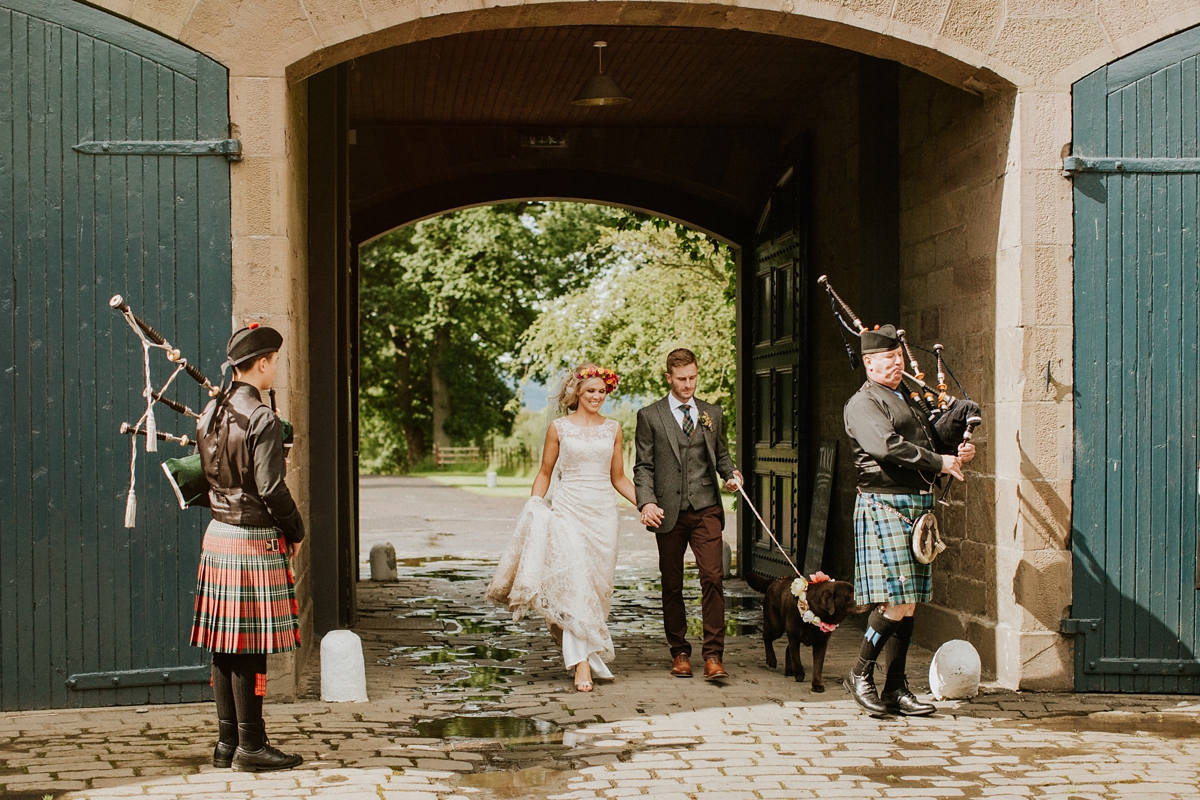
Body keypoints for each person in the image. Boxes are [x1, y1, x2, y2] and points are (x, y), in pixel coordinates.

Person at [842, 324, 976, 716]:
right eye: (887, 359)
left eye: (898, 358)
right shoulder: (863, 403)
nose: (896, 365)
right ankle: (859, 673)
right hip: (884, 503)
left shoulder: (906, 397)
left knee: (910, 602)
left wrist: (954, 452)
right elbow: (886, 445)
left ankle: (895, 687)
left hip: (916, 505)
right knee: (896, 600)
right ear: (868, 362)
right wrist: (939, 462)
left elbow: (928, 441)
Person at [190, 323, 306, 771]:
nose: (276, 369)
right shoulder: (260, 418)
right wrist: (295, 529)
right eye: (275, 362)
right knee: (250, 645)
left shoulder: (211, 412)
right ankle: (252, 747)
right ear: (260, 363)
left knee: (225, 645)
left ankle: (226, 743)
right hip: (252, 539)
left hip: (218, 534)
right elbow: (273, 489)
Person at [487, 364, 638, 692]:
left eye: (601, 391)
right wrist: (535, 505)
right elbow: (544, 472)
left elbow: (618, 478)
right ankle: (580, 665)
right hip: (568, 512)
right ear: (577, 394)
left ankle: (582, 649)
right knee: (572, 585)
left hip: (603, 516)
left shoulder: (613, 429)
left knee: (596, 590)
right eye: (590, 392)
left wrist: (646, 502)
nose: (597, 396)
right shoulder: (560, 428)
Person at [634, 348, 741, 681]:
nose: (688, 384)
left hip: (705, 506)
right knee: (672, 584)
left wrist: (731, 474)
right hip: (668, 511)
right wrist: (646, 502)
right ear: (669, 378)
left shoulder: (712, 413)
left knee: (713, 577)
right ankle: (679, 652)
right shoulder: (650, 416)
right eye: (681, 379)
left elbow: (721, 455)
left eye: (692, 378)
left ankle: (713, 656)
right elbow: (643, 466)